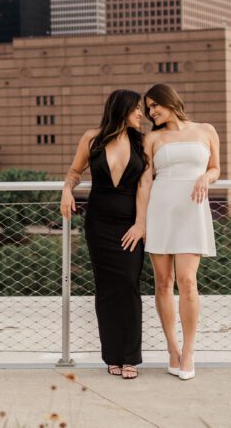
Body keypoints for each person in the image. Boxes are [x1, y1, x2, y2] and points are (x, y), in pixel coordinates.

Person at [123, 83, 218, 381]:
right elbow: (145, 182)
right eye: (147, 108)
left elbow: (216, 168)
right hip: (160, 210)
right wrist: (141, 222)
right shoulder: (151, 138)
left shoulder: (206, 130)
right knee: (164, 282)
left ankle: (189, 351)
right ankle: (172, 349)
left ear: (170, 101)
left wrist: (205, 177)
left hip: (192, 208)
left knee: (188, 281)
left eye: (154, 105)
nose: (151, 112)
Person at [61, 89, 147, 379]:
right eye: (136, 109)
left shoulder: (143, 143)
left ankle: (131, 356)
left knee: (129, 284)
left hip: (131, 224)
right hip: (99, 224)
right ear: (122, 109)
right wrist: (66, 190)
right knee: (107, 287)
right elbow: (75, 171)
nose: (141, 114)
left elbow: (145, 187)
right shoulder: (92, 138)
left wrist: (141, 224)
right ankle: (112, 355)